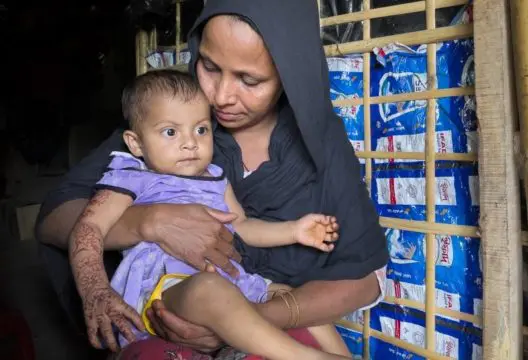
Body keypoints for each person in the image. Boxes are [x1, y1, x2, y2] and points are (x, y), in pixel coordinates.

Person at [36, 0, 390, 358]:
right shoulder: (167, 121)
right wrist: (150, 221)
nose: (220, 97)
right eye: (208, 66)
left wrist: (248, 317)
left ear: (289, 73)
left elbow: (362, 276)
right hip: (173, 306)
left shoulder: (320, 143)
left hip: (260, 308)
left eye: (249, 80)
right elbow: (56, 219)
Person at [67, 69, 348, 360]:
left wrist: (294, 230)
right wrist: (95, 290)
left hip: (230, 284)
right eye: (170, 132)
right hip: (165, 292)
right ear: (136, 143)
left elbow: (241, 225)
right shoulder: (132, 177)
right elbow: (88, 228)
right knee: (208, 288)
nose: (190, 142)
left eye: (201, 129)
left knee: (294, 299)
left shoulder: (214, 177)